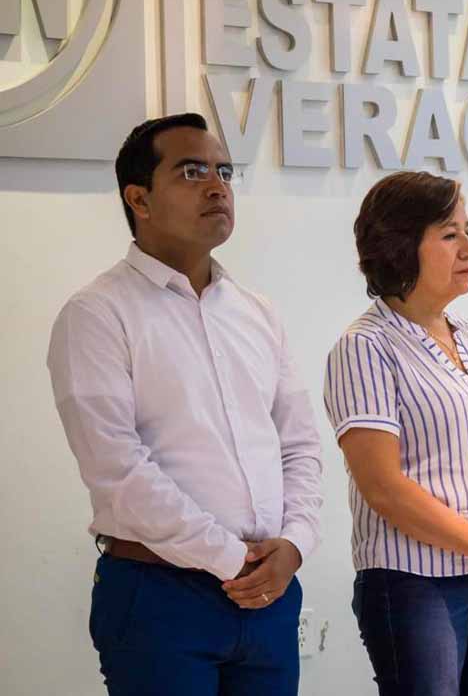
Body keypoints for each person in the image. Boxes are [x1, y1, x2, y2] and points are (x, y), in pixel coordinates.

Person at [46, 113, 323, 695]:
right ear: (139, 199)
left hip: (269, 595)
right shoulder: (97, 314)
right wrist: (229, 557)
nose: (217, 186)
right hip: (159, 594)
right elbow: (117, 468)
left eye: (224, 172)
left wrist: (295, 545)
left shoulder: (257, 313)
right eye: (192, 172)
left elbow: (298, 444)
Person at [322, 171, 468, 696]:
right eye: (450, 235)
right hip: (413, 582)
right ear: (400, 245)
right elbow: (382, 487)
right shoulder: (365, 346)